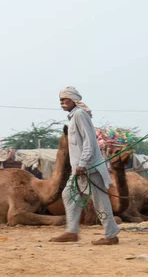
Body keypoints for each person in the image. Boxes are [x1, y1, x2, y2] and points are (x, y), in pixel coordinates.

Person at [50, 86, 120, 245]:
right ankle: (72, 231)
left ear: (73, 100)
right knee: (68, 195)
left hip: (89, 168)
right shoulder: (73, 117)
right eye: (60, 100)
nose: (62, 103)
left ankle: (111, 235)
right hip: (79, 170)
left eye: (65, 99)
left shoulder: (80, 115)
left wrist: (82, 163)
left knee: (100, 202)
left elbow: (89, 141)